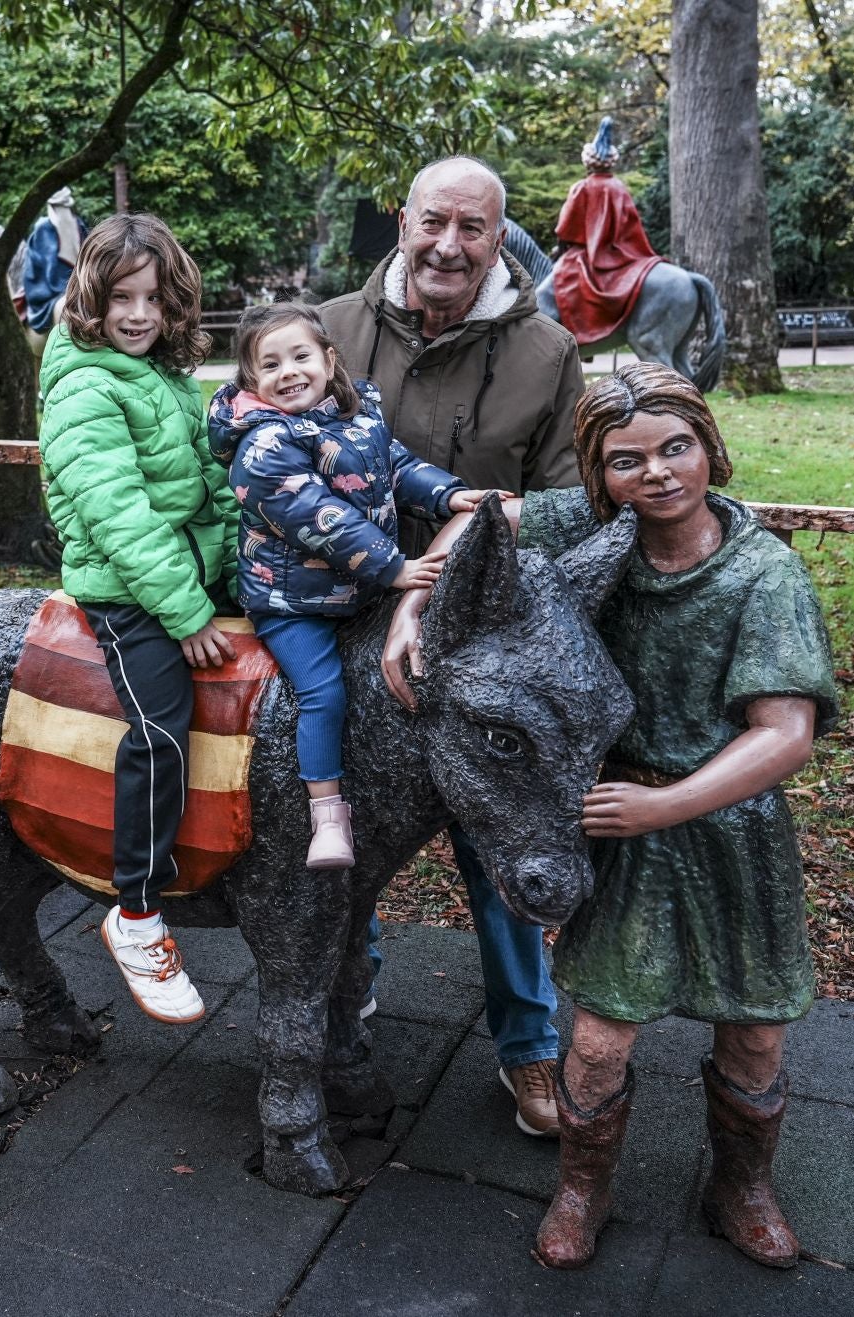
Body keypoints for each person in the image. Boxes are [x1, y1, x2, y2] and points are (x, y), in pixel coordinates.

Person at [396, 364, 838, 1270]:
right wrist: (412, 606)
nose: (659, 475)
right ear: (601, 477)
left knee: (753, 1029)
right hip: (620, 814)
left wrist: (664, 804)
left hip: (726, 828)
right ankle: (581, 1186)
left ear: (709, 448)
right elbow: (484, 520)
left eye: (677, 448)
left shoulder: (763, 572)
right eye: (629, 460)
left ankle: (742, 1185)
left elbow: (785, 732)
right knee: (597, 1040)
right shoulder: (600, 528)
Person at [324, 154, 584, 1138]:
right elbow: (249, 440)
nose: (449, 245)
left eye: (473, 229)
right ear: (402, 221)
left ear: (498, 238)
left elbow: (577, 502)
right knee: (339, 836)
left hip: (482, 643)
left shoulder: (545, 351)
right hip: (340, 624)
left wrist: (480, 530)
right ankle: (353, 999)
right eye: (434, 221)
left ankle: (530, 1047)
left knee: (498, 842)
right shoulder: (333, 331)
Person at [207, 303, 505, 868]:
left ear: (328, 357)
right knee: (323, 692)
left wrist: (446, 495)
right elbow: (322, 518)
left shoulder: (354, 416)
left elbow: (394, 466)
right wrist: (393, 567)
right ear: (250, 381)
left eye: (300, 356)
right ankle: (326, 815)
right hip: (292, 603)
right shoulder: (263, 449)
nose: (288, 371)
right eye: (269, 365)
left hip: (355, 594)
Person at [36, 212, 240, 1026]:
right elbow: (118, 514)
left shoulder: (159, 374)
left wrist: (241, 559)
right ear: (91, 298)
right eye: (122, 297)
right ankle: (138, 909)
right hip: (126, 585)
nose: (138, 314)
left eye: (154, 298)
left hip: (187, 567)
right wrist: (188, 611)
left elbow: (205, 480)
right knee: (161, 722)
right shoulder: (86, 383)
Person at [550, 117, 666, 348]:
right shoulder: (619, 188)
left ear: (588, 163)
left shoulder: (582, 188)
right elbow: (631, 227)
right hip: (623, 255)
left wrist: (561, 248)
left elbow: (566, 229)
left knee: (547, 292)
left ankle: (571, 338)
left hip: (585, 257)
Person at [22, 187, 86, 354]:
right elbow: (38, 269)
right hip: (48, 294)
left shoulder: (79, 226)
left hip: (80, 286)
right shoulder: (43, 228)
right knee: (66, 308)